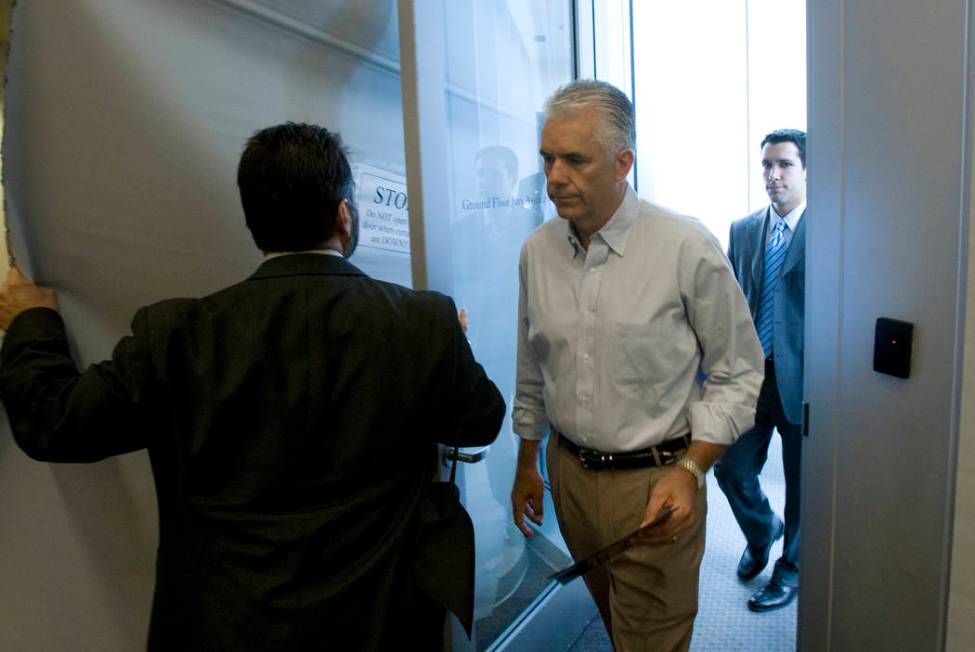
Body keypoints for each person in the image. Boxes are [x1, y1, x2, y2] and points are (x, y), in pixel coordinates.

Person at [0, 123, 506, 651]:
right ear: (343, 214)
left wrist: (31, 321)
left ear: (254, 223)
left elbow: (53, 423)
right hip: (381, 625)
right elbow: (479, 422)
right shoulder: (422, 322)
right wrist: (450, 352)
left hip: (227, 628)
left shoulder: (177, 335)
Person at [509, 80, 764, 650]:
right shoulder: (537, 252)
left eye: (574, 159)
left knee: (650, 640)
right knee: (617, 625)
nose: (553, 176)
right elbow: (533, 365)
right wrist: (528, 459)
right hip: (569, 478)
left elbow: (739, 372)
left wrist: (693, 470)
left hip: (657, 485)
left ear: (623, 162)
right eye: (547, 158)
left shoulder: (684, 247)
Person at [715, 128, 807, 612]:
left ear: (807, 170)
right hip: (752, 376)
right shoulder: (744, 230)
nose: (773, 175)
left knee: (801, 483)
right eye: (767, 165)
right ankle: (761, 530)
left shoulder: (827, 228)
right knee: (727, 464)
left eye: (785, 165)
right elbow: (734, 305)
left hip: (806, 382)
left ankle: (790, 569)